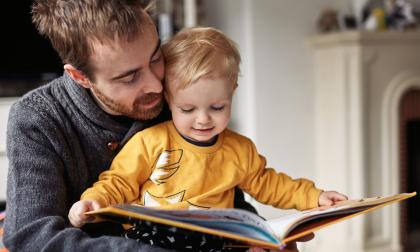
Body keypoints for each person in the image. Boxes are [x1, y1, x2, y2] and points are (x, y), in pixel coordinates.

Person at [4, 1, 256, 251]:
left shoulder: (180, 99)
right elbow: (32, 236)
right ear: (80, 77)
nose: (157, 86)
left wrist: (255, 238)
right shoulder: (37, 118)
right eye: (130, 77)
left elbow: (225, 194)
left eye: (156, 58)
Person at [68, 27, 348, 251]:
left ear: (232, 93)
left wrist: (315, 197)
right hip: (153, 235)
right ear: (168, 98)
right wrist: (94, 202)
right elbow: (119, 182)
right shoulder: (151, 141)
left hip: (214, 237)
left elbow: (269, 183)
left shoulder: (240, 149)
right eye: (187, 109)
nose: (203, 119)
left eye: (217, 107)